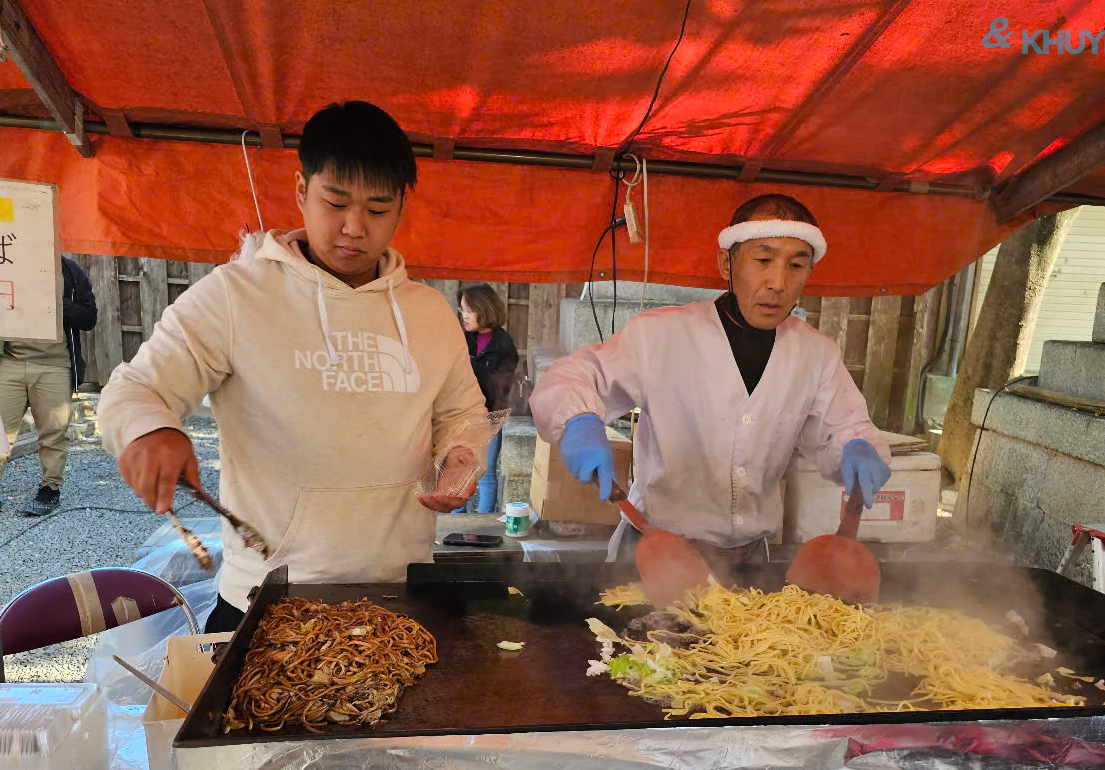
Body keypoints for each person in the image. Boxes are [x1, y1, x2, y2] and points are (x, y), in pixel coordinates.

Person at [98, 101, 489, 632]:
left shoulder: (429, 313)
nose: (354, 228)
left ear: (401, 207)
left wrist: (461, 453)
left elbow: (461, 411)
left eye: (377, 210)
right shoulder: (237, 295)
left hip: (399, 590)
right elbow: (136, 387)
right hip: (264, 597)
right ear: (302, 190)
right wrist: (151, 429)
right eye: (336, 202)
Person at [530, 193, 891, 573]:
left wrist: (857, 447)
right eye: (763, 260)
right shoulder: (661, 334)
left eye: (796, 265)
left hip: (749, 563)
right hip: (658, 554)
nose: (778, 283)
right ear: (727, 262)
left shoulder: (817, 355)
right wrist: (580, 421)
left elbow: (846, 428)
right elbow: (576, 375)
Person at [0, 255, 96, 516]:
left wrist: (58, 305)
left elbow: (89, 318)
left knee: (54, 432)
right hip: (9, 360)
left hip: (54, 363)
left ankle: (50, 489)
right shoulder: (4, 262)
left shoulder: (69, 270)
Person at [457, 283, 518, 513]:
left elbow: (500, 385)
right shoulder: (462, 338)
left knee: (487, 473)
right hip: (463, 415)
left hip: (491, 415)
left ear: (484, 309)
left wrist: (471, 364)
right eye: (461, 309)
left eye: (469, 310)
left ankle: (482, 525)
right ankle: (455, 519)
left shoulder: (505, 344)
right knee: (460, 469)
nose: (464, 315)